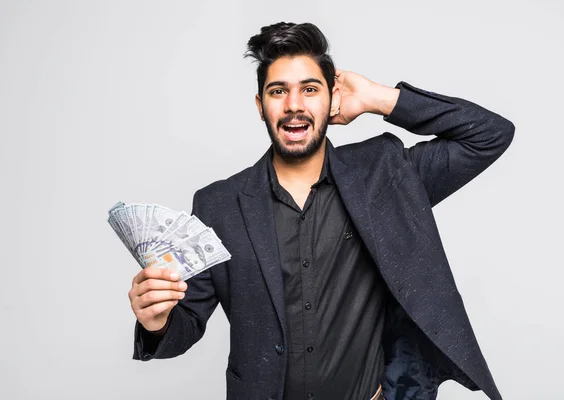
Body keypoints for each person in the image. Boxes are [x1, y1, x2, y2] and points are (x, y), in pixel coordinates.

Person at [127, 22, 514, 400]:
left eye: (309, 90)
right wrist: (156, 323)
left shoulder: (385, 175)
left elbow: (488, 135)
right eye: (278, 91)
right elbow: (186, 323)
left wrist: (379, 98)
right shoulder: (219, 206)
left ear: (332, 98)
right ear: (261, 106)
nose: (294, 105)